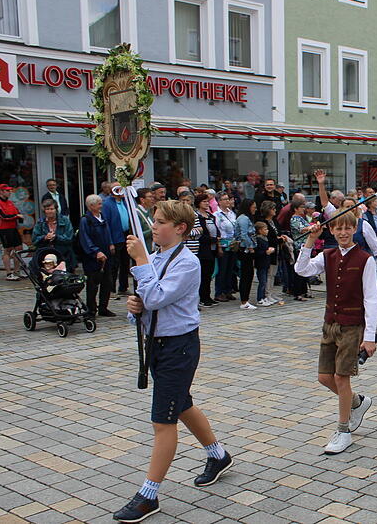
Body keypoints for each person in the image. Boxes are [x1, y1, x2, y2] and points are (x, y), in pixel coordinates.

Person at [114, 201, 232, 523]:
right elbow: (143, 304)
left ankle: (148, 495)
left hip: (179, 347)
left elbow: (156, 297)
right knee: (180, 404)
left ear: (179, 228)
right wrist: (132, 308)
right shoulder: (154, 258)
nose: (154, 226)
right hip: (157, 345)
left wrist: (139, 261)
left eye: (161, 221)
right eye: (153, 220)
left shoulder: (188, 263)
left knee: (162, 421)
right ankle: (218, 455)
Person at [294, 213, 377, 455]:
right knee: (324, 377)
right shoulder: (327, 255)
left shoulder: (365, 259)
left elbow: (371, 299)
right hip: (330, 323)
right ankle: (357, 403)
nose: (342, 233)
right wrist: (310, 240)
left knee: (342, 378)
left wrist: (369, 336)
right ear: (331, 230)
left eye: (347, 228)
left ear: (354, 229)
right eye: (338, 229)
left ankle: (343, 431)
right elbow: (302, 270)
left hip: (352, 326)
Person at [79, 194, 116, 318]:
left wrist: (111, 243)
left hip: (106, 254)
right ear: (91, 206)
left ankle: (103, 307)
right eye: (99, 204)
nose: (101, 206)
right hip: (92, 258)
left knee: (107, 282)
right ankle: (91, 309)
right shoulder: (85, 220)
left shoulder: (102, 216)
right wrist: (96, 252)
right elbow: (85, 239)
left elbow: (107, 231)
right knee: (93, 284)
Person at [102, 190, 132, 298]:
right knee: (114, 264)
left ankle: (123, 287)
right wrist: (110, 242)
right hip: (115, 237)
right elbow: (106, 224)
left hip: (126, 235)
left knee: (125, 263)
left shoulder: (125, 201)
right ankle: (111, 289)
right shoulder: (107, 203)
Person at [191, 194, 220, 307]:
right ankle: (203, 297)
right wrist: (212, 239)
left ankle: (207, 296)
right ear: (198, 203)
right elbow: (201, 234)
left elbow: (215, 229)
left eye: (208, 202)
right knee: (203, 274)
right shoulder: (197, 216)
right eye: (204, 201)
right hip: (203, 249)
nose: (207, 203)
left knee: (209, 274)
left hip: (212, 248)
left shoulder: (210, 216)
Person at [32, 199, 76, 270]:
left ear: (56, 209)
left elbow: (69, 237)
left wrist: (56, 237)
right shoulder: (40, 222)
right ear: (44, 211)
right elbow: (34, 240)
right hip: (46, 257)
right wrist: (45, 237)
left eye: (52, 209)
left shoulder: (65, 220)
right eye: (47, 209)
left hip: (64, 255)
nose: (50, 211)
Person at [0, 184, 23, 281]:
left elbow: (17, 212)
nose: (9, 192)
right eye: (7, 191)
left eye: (9, 190)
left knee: (19, 248)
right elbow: (3, 216)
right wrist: (16, 216)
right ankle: (9, 273)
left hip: (13, 227)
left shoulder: (10, 202)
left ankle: (17, 271)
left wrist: (18, 217)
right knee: (7, 249)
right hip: (4, 229)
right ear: (1, 191)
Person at [258, 200, 285, 303]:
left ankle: (271, 292)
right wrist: (279, 239)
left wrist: (281, 237)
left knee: (273, 273)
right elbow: (269, 238)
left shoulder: (274, 221)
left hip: (277, 250)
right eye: (273, 209)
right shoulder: (263, 222)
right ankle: (266, 294)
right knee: (269, 274)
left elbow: (279, 231)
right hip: (269, 250)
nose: (275, 211)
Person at [234, 199, 258, 309]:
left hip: (248, 249)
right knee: (246, 275)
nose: (255, 209)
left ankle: (246, 299)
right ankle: (244, 301)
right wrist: (250, 246)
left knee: (249, 274)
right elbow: (244, 234)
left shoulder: (247, 218)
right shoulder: (243, 218)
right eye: (253, 206)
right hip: (245, 250)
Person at [290, 202, 316, 302]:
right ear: (296, 209)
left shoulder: (302, 218)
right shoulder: (294, 219)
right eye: (301, 207)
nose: (303, 209)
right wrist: (310, 228)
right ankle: (298, 293)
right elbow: (301, 229)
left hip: (306, 246)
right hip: (299, 246)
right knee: (299, 270)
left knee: (306, 269)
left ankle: (304, 291)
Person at [253, 221, 276, 306]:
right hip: (261, 263)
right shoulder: (258, 239)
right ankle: (260, 299)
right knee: (262, 282)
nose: (267, 231)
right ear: (259, 230)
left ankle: (263, 297)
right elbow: (258, 252)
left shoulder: (265, 239)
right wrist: (266, 252)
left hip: (266, 262)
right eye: (265, 229)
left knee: (265, 281)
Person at [135, 188, 156, 254]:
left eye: (153, 197)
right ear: (142, 200)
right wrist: (152, 230)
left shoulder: (148, 211)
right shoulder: (137, 213)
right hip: (143, 250)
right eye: (150, 197)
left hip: (152, 248)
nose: (153, 199)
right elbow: (137, 235)